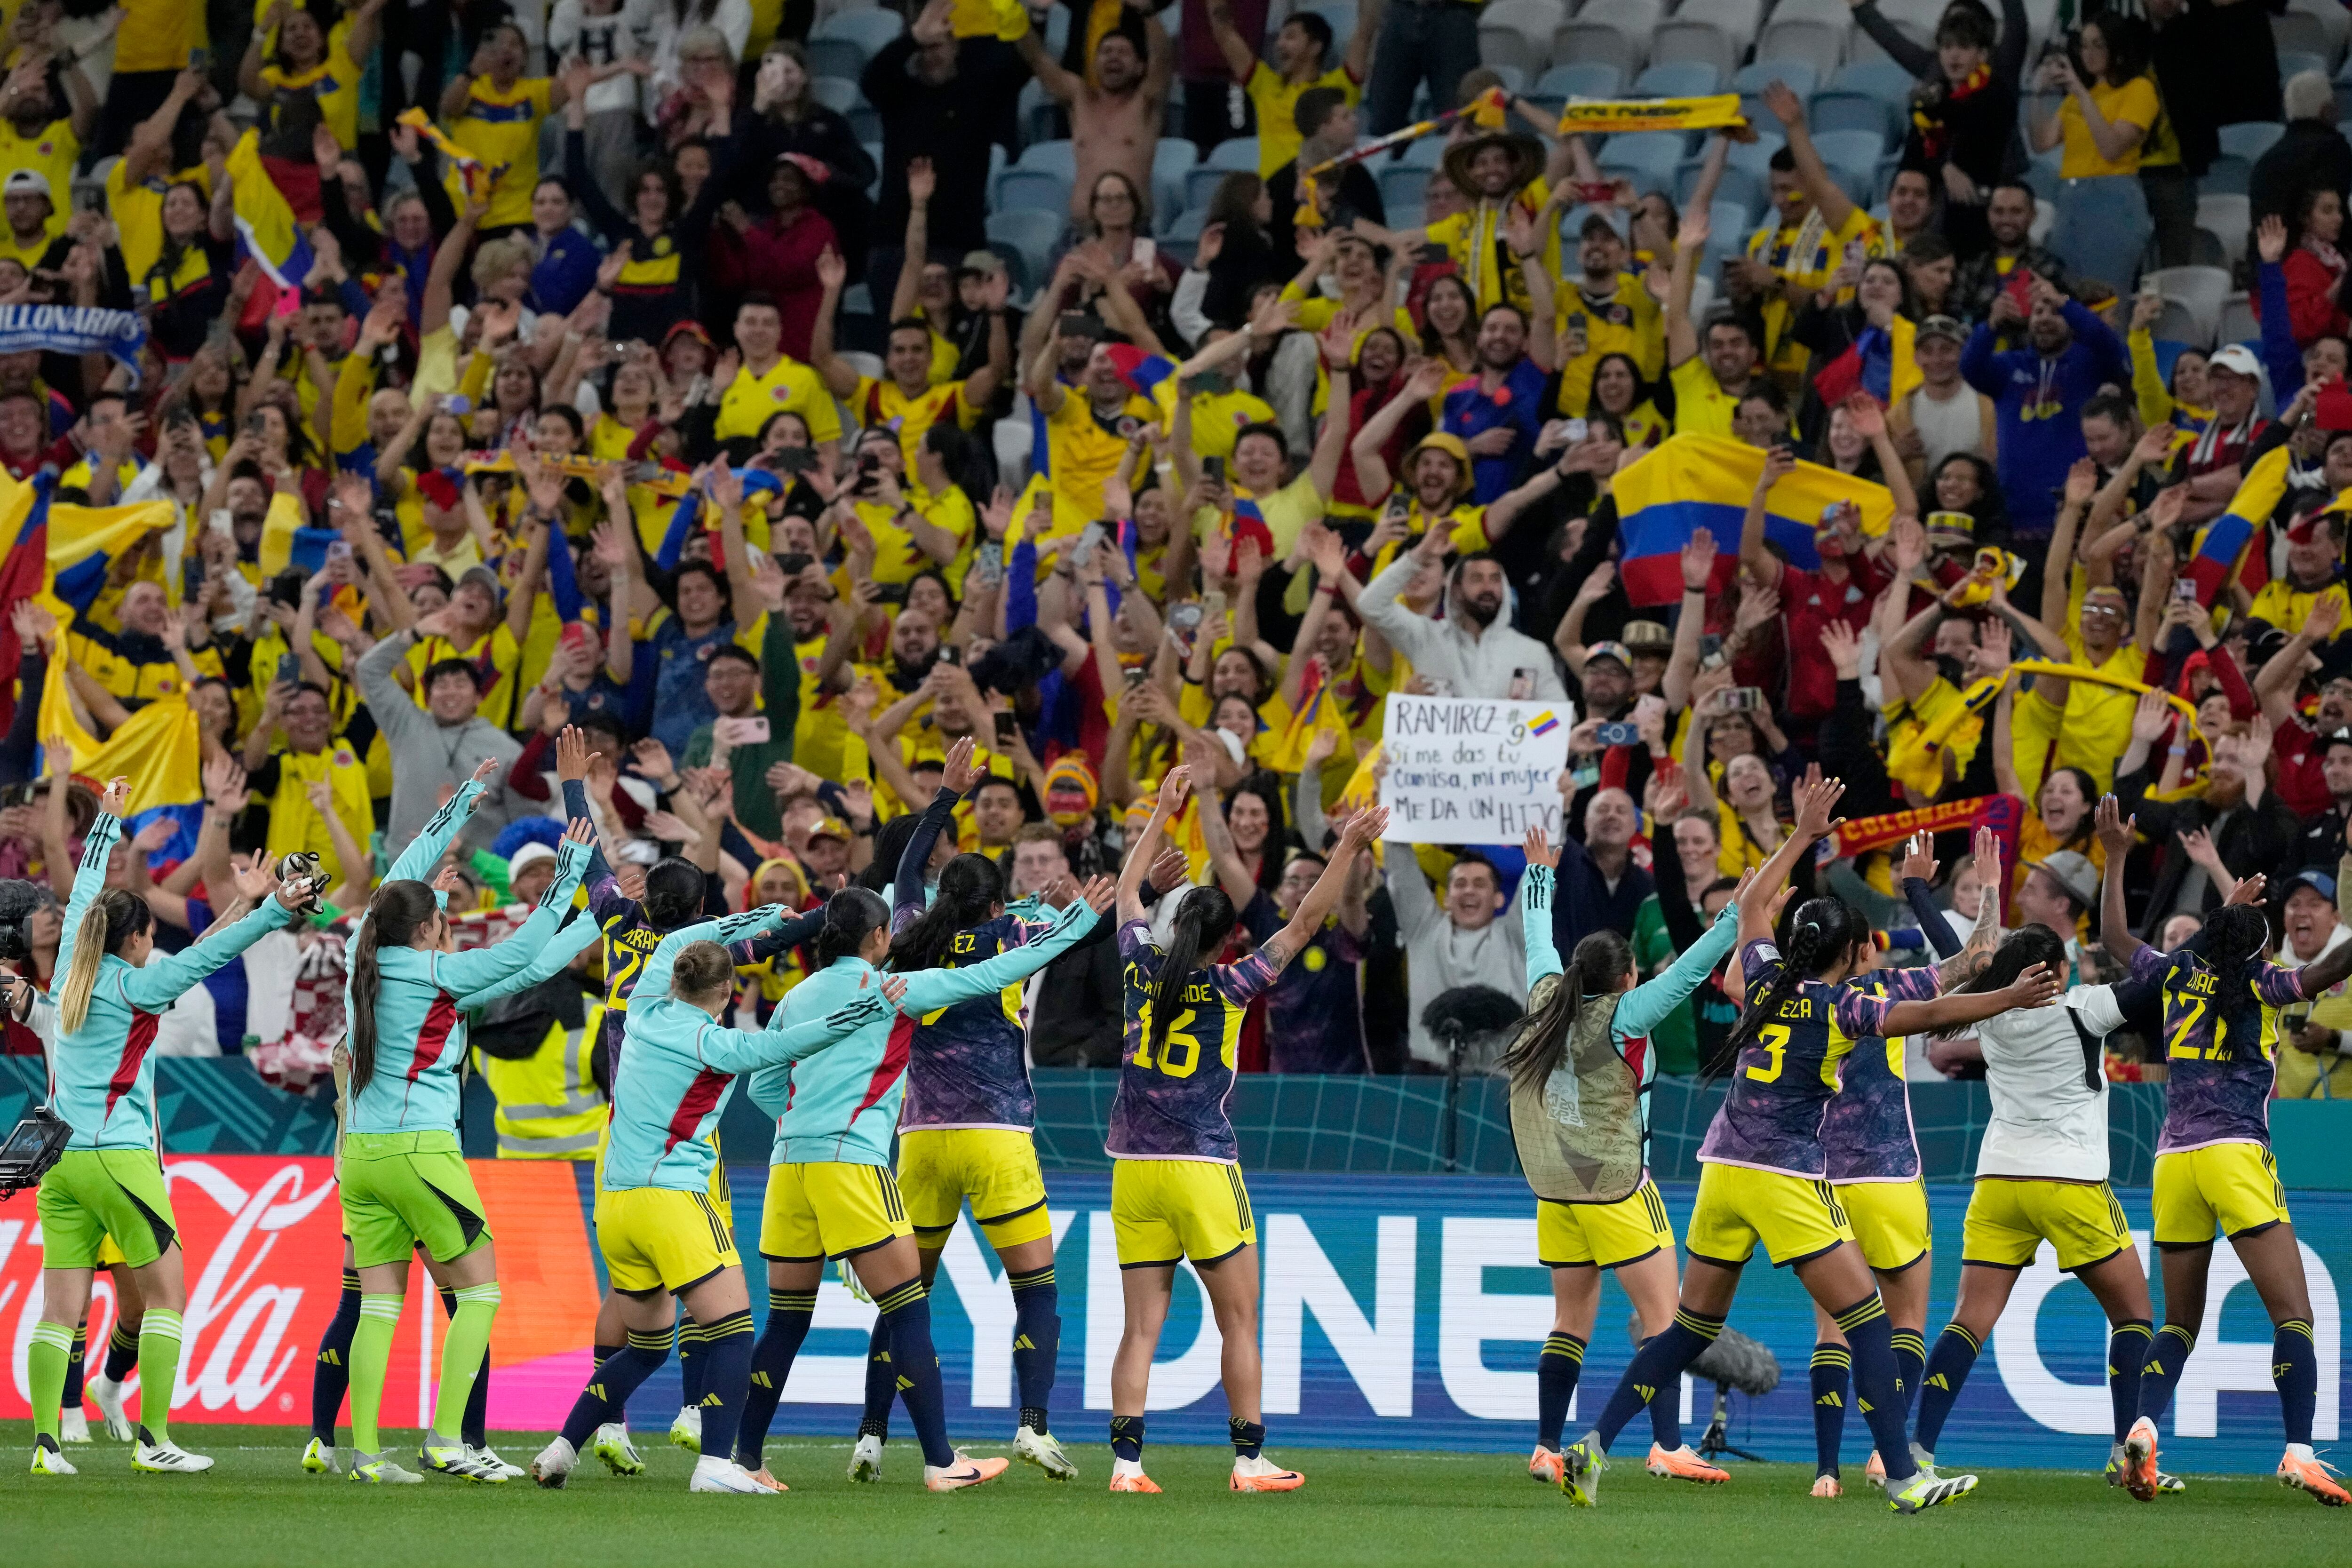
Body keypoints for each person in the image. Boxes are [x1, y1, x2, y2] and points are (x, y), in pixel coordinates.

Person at [1557, 775, 2059, 1513]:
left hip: (1721, 1166)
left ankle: (1592, 1446)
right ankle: (1905, 1474)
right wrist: (2012, 996)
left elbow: (1751, 905)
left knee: (1690, 1326)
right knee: (1868, 1323)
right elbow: (1942, 1007)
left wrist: (1800, 835)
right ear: (1851, 952)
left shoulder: (1760, 976)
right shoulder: (1846, 1007)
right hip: (1784, 1173)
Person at [728, 873, 1115, 1491]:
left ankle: (743, 1458)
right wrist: (1077, 920)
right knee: (908, 1310)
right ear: (880, 937)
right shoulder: (894, 990)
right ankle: (941, 1462)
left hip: (788, 1165)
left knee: (786, 1322)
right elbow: (995, 973)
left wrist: (805, 1119)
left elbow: (762, 1085)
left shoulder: (798, 997)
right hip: (851, 1165)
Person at [528, 905, 898, 1494]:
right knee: (730, 1330)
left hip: (616, 1205)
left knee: (646, 1347)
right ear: (726, 990)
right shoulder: (718, 1045)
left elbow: (678, 937)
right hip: (672, 1201)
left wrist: (748, 919)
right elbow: (799, 1040)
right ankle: (716, 1466)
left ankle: (562, 1446)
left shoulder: (642, 1009)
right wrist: (870, 1006)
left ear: (673, 977)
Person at [23, 777, 318, 1478]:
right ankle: (154, 1437)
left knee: (59, 1308)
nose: (157, 944)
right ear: (135, 940)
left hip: (59, 1162)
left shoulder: (69, 967)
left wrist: (107, 823)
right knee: (167, 1295)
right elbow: (211, 956)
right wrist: (274, 908)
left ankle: (46, 1447)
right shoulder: (137, 985)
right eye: (151, 935)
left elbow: (89, 886)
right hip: (120, 1158)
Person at [1101, 767, 1386, 1492]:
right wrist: (1347, 845)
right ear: (1224, 939)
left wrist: (1163, 815)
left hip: (1132, 1167)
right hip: (1202, 1166)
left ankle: (1126, 1466)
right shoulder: (1231, 986)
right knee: (1239, 1323)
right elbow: (1304, 923)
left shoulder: (1138, 964)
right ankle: (1248, 1459)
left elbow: (1129, 892)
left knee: (1140, 1327)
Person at [334, 772, 596, 1483]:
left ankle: (364, 1454)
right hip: (421, 1151)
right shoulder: (436, 974)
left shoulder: (366, 957)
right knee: (479, 1292)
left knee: (380, 1304)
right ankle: (448, 1439)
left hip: (358, 1155)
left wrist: (455, 807)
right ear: (428, 929)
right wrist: (572, 874)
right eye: (439, 917)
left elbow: (401, 876)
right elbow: (519, 954)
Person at [2094, 796, 2352, 1506]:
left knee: (2177, 1320)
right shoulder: (2264, 982)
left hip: (2173, 1159)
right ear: (2258, 946)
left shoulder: (2179, 973)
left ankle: (2142, 1427)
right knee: (2294, 1316)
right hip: (2237, 1153)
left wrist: (2117, 854)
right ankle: (2299, 1452)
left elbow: (2117, 933)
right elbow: (2325, 974)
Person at [845, 740, 1093, 1480]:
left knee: (902, 1296)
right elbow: (1087, 929)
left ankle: (870, 1436)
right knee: (1036, 1288)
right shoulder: (1010, 934)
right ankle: (1033, 1426)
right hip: (997, 1137)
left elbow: (904, 868)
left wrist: (946, 796)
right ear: (993, 903)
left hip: (920, 1137)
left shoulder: (911, 932)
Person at [1907, 908, 2183, 1494]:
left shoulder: (1990, 1011)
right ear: (2056, 970)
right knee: (2132, 1317)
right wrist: (2217, 930)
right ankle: (2120, 1452)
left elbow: (1953, 956)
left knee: (1966, 1322)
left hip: (1998, 1180)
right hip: (2070, 1182)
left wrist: (1915, 891)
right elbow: (2153, 978)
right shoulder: (2082, 1007)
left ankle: (1919, 1454)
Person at [1510, 827, 1749, 1488]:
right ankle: (1667, 1444)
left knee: (1570, 1321)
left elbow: (1536, 934)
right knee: (1664, 1320)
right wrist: (1740, 913)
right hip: (1615, 1187)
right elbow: (1695, 967)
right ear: (1626, 975)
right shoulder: (1628, 1014)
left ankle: (1546, 1446)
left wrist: (1539, 875)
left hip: (1556, 1189)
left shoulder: (1544, 994)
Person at [1017, 13, 1175, 228]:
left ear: (1140, 67)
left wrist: (1147, 12)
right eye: (1106, 52)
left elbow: (1163, 58)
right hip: (1081, 234)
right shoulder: (1078, 99)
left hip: (1133, 232)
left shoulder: (1145, 104)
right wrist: (1012, 16)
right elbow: (1037, 58)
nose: (1113, 57)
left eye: (1123, 53)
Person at [1208, 0, 1375, 177]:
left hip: (1320, 192)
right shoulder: (1264, 84)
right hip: (1275, 196)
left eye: (1290, 37)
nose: (1280, 44)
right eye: (1280, 38)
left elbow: (1365, 30)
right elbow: (1224, 34)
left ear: (1315, 48)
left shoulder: (1339, 87)